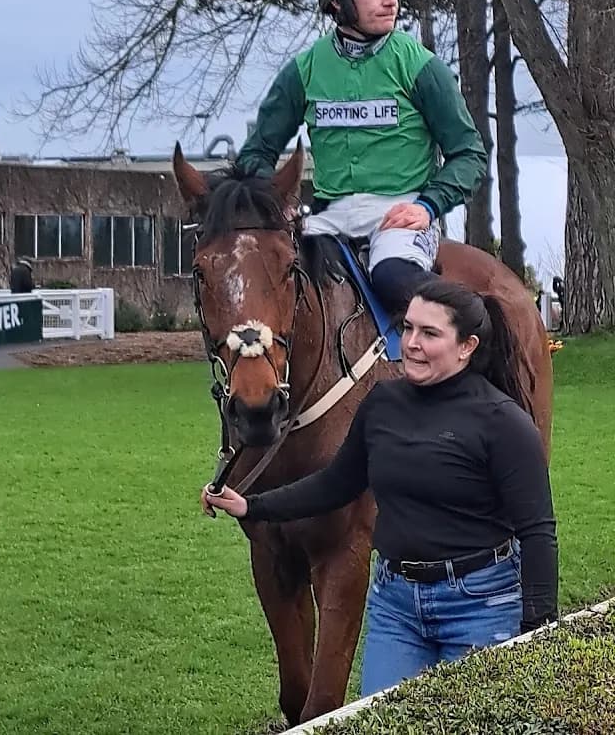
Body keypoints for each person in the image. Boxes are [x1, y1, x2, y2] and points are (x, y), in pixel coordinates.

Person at [202, 278, 559, 696]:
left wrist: (538, 631)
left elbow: (537, 531)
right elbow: (337, 483)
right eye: (406, 329)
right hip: (398, 608)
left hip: (480, 603)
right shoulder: (383, 403)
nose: (410, 343)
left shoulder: (503, 423)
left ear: (467, 347)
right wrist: (251, 506)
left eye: (429, 334)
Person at [235, 0, 487, 313]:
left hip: (403, 216)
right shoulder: (304, 71)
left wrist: (428, 206)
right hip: (328, 218)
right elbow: (256, 153)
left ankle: (473, 329)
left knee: (390, 277)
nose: (391, 0)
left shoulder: (421, 66)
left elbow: (469, 155)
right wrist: (273, 204)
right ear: (338, 2)